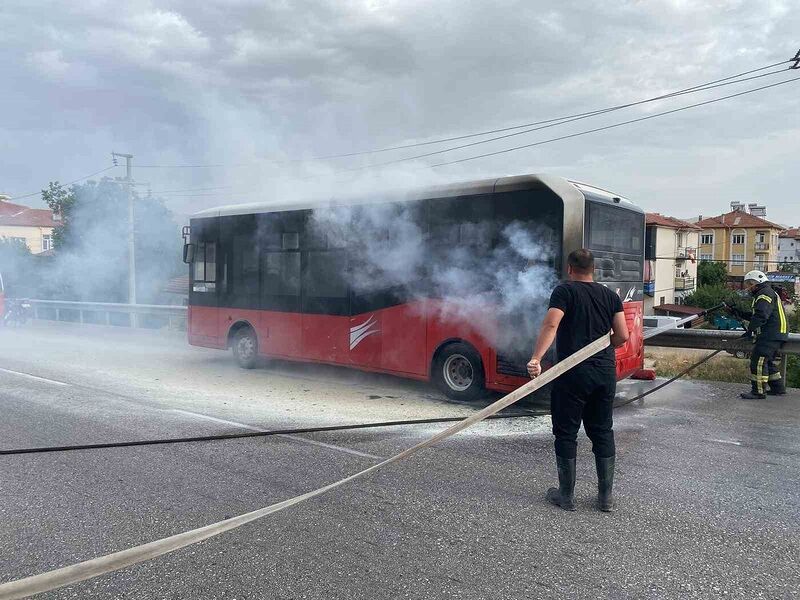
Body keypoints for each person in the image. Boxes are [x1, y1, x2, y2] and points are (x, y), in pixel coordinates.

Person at [527, 249, 629, 512]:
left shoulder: (565, 291)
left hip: (572, 373)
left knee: (566, 432)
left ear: (570, 269)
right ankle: (605, 499)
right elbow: (622, 336)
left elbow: (551, 326)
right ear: (593, 269)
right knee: (602, 430)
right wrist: (603, 347)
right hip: (605, 372)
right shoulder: (609, 295)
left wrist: (536, 358)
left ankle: (566, 496)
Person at [724, 270, 788, 399]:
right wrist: (737, 312)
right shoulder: (766, 293)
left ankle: (758, 391)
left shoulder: (764, 294)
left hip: (770, 334)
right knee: (766, 361)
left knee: (758, 361)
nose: (748, 288)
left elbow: (760, 316)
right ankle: (778, 388)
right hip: (775, 333)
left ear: (756, 283)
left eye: (749, 284)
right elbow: (756, 315)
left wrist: (750, 331)